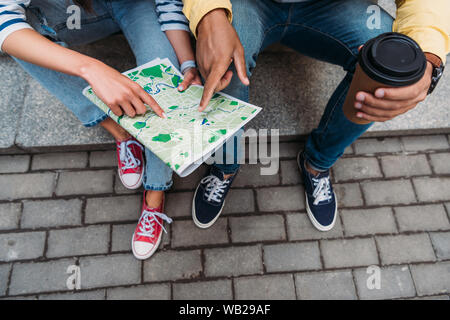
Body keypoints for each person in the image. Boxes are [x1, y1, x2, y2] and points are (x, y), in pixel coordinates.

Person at [183, 0, 449, 231]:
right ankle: (225, 167)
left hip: (331, 6)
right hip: (248, 4)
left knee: (389, 74)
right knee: (222, 65)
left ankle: (317, 162)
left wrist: (428, 56)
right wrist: (210, 12)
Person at [0, 0, 200, 259]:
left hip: (139, 6)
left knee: (166, 81)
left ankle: (156, 190)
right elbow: (4, 19)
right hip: (74, 10)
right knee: (21, 38)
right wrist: (90, 68)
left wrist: (187, 65)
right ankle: (120, 130)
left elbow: (168, 3)